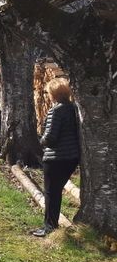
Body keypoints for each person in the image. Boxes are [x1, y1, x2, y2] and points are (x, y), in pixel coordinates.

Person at [32, 78, 80, 237]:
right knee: (57, 191)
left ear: (54, 94)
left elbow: (51, 138)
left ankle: (49, 226)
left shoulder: (56, 111)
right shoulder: (74, 108)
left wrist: (41, 140)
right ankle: (52, 224)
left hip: (56, 158)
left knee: (51, 193)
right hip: (72, 157)